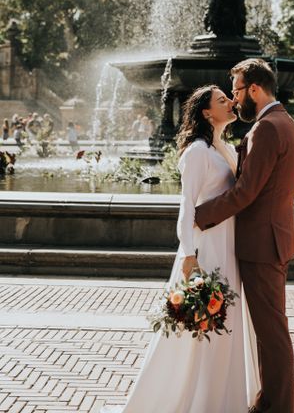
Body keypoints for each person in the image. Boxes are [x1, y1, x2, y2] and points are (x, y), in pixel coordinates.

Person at [101, 84, 259, 413]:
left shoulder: (224, 148)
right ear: (206, 112)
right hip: (205, 249)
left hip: (228, 246)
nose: (230, 102)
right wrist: (189, 254)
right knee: (201, 323)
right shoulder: (198, 151)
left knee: (224, 322)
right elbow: (186, 207)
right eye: (221, 100)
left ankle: (222, 398)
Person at [195, 58, 294, 413]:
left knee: (271, 335)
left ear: (254, 89)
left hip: (262, 245)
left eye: (238, 91)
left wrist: (200, 216)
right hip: (273, 240)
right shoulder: (286, 122)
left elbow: (246, 192)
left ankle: (278, 406)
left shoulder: (266, 129)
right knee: (270, 331)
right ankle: (267, 401)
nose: (235, 98)